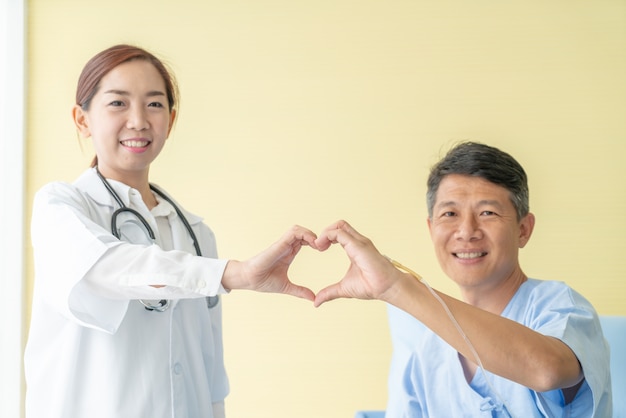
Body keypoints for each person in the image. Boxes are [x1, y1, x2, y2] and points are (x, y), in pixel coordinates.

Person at [24, 44, 319, 418]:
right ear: (82, 120)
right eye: (118, 103)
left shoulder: (195, 232)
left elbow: (210, 370)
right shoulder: (61, 207)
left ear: (171, 119)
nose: (138, 120)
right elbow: (102, 268)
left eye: (154, 104)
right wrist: (234, 273)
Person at [313, 142, 612, 417]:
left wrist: (395, 286)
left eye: (488, 212)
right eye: (450, 214)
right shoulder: (426, 355)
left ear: (523, 229)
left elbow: (547, 371)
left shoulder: (561, 308)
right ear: (431, 229)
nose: (467, 231)